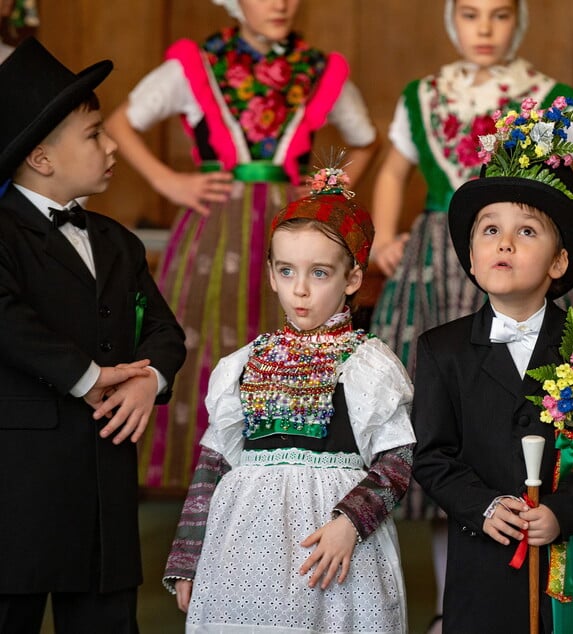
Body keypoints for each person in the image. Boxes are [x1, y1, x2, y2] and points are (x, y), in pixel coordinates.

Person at [105, 0, 378, 490]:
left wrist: (326, 188)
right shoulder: (198, 65)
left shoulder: (317, 70)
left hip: (292, 229)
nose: (280, 3)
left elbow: (366, 139)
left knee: (285, 326)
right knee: (204, 334)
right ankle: (200, 482)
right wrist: (168, 182)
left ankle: (282, 468)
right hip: (216, 227)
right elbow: (122, 122)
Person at [162, 165, 415, 633]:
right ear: (272, 276)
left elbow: (397, 461)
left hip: (333, 547)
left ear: (352, 277)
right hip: (244, 545)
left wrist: (350, 523)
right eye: (287, 271)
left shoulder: (368, 364)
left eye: (319, 273)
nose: (300, 289)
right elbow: (212, 465)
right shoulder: (242, 364)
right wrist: (188, 556)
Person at [412, 99, 573, 634]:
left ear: (559, 262)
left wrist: (565, 511)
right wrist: (483, 507)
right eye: (490, 230)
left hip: (568, 569)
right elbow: (432, 456)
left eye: (527, 231)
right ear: (470, 254)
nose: (504, 242)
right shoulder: (443, 349)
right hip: (482, 566)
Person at [0, 38, 186, 632]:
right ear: (41, 158)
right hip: (20, 483)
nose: (112, 147)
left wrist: (148, 380)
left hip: (104, 482)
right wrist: (89, 376)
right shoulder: (2, 234)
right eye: (95, 135)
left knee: (107, 621)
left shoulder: (116, 241)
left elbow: (162, 328)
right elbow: (5, 317)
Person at [371, 0, 573, 377]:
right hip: (434, 257)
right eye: (470, 14)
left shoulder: (550, 99)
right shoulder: (423, 96)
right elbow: (392, 173)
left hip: (526, 252)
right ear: (452, 20)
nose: (485, 29)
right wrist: (383, 240)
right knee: (438, 365)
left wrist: (566, 227)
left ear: (519, 20)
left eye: (500, 15)